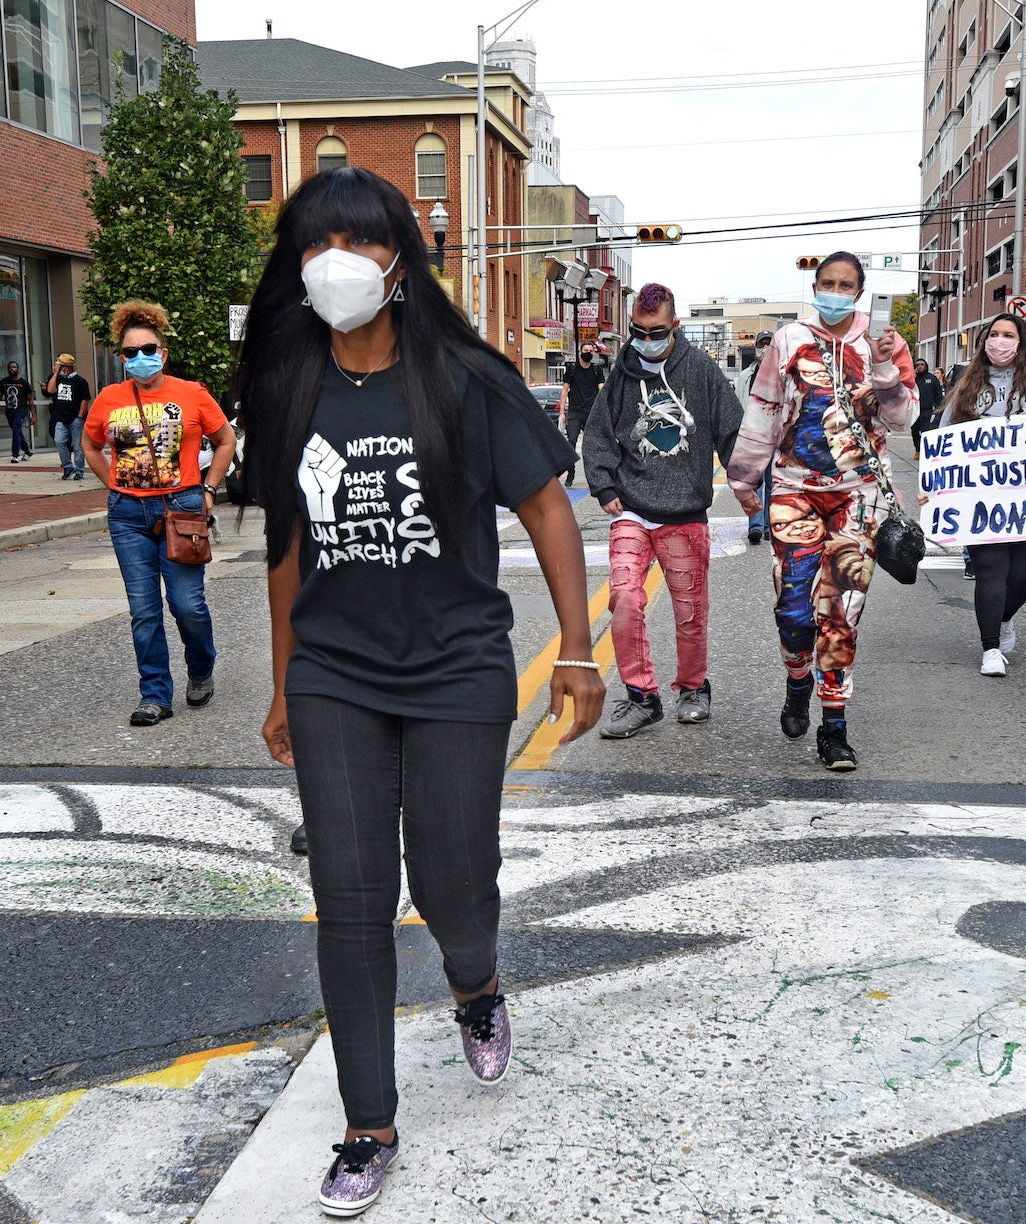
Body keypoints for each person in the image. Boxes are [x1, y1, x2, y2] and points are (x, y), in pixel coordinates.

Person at [240, 166, 603, 1218]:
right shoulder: (288, 387)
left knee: (451, 882)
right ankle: (368, 1125)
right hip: (335, 674)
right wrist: (283, 682)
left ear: (400, 257)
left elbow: (546, 508)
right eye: (314, 245)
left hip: (456, 666)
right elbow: (286, 548)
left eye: (357, 241)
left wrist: (576, 649)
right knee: (350, 896)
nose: (336, 263)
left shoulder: (466, 377)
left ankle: (475, 983)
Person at [726, 251, 918, 771]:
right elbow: (765, 408)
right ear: (815, 288)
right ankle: (797, 682)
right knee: (793, 611)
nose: (835, 291)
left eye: (845, 284)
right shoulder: (789, 340)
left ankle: (834, 727)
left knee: (840, 614)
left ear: (860, 292)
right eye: (827, 283)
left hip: (859, 497)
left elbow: (904, 419)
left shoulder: (886, 342)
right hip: (794, 490)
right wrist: (744, 481)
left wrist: (883, 368)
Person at [583, 283, 745, 738]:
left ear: (675, 325)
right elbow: (598, 431)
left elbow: (731, 430)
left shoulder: (701, 370)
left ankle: (693, 688)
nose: (646, 340)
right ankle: (641, 697)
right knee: (624, 598)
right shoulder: (623, 371)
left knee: (690, 612)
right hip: (632, 508)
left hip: (685, 513)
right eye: (638, 331)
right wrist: (603, 484)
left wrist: (747, 483)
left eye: (656, 332)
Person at [83, 303, 234, 726]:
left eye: (148, 349)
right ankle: (154, 694)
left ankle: (201, 668)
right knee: (144, 610)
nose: (140, 357)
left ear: (163, 353)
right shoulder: (109, 399)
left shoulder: (192, 394)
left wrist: (209, 488)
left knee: (188, 605)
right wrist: (113, 484)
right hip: (127, 515)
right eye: (130, 352)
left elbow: (226, 440)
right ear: (122, 358)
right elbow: (90, 445)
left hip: (181, 508)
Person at [934, 315, 1026, 678]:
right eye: (994, 334)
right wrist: (935, 487)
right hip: (980, 499)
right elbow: (945, 438)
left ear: (1021, 342)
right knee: (991, 570)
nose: (999, 341)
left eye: (1008, 335)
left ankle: (1002, 617)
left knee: (1025, 575)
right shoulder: (967, 385)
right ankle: (990, 648)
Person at [739, 342, 772, 545]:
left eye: (769, 345)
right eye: (761, 345)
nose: (765, 349)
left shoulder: (783, 374)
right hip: (752, 436)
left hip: (775, 435)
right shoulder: (745, 376)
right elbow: (737, 404)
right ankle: (756, 527)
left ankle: (769, 526)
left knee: (773, 484)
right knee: (755, 482)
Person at [560, 340, 605, 486]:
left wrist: (604, 409)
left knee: (593, 445)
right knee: (571, 441)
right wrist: (562, 412)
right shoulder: (572, 369)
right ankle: (571, 471)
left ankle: (595, 476)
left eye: (590, 351)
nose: (588, 353)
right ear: (580, 352)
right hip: (575, 411)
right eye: (586, 351)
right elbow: (565, 390)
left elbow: (602, 389)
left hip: (591, 412)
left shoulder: (597, 369)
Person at [44, 353, 93, 479]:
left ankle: (79, 470)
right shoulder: (57, 378)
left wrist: (80, 416)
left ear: (65, 367)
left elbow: (85, 399)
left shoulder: (80, 381)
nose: (56, 367)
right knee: (59, 441)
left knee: (77, 446)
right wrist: (55, 373)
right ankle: (67, 466)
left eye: (58, 366)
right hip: (60, 418)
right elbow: (50, 390)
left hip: (75, 419)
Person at [0, 360, 35, 464]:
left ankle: (15, 455)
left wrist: (33, 415)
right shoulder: (4, 382)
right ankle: (28, 451)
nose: (12, 369)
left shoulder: (23, 383)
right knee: (17, 431)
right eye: (10, 367)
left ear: (18, 369)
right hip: (9, 411)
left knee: (16, 428)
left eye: (14, 367)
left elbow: (30, 400)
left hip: (21, 411)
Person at [911, 357, 945, 454]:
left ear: (926, 366)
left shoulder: (932, 379)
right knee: (914, 431)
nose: (920, 367)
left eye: (922, 365)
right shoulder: (912, 379)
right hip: (914, 409)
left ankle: (925, 450)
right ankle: (918, 449)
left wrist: (940, 407)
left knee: (926, 431)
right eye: (918, 365)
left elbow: (938, 394)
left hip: (927, 410)